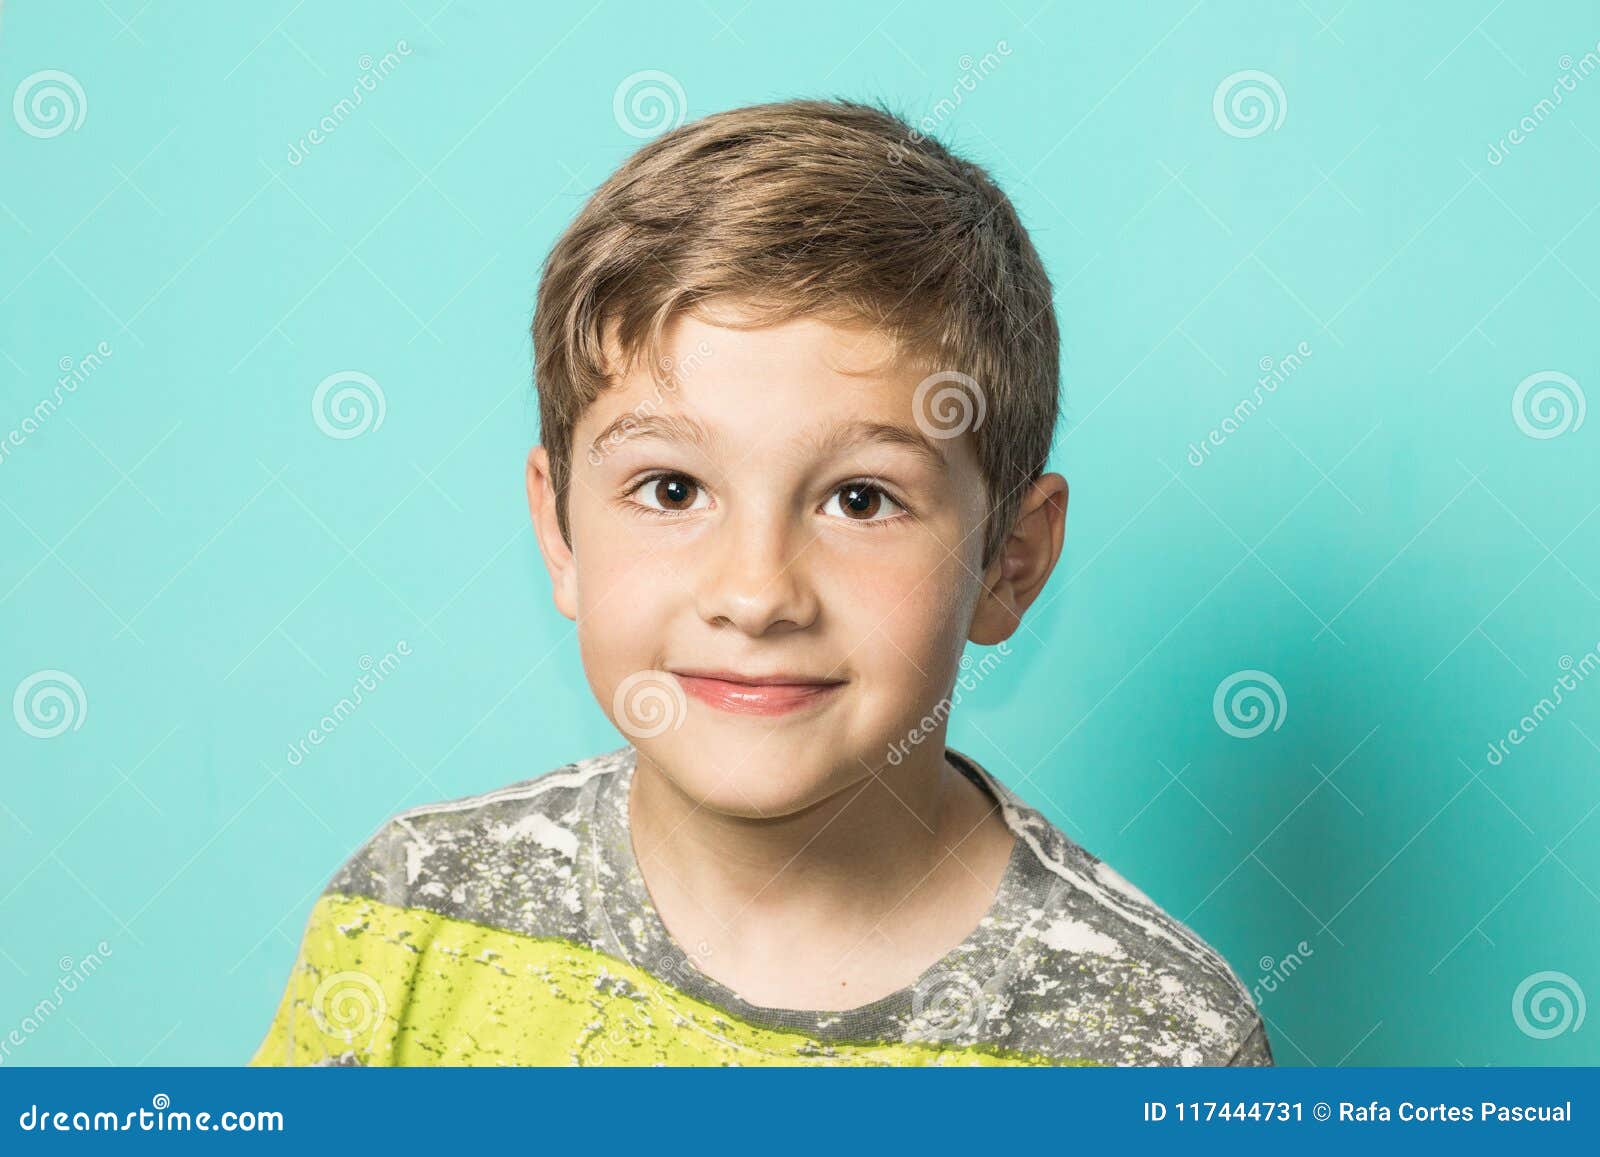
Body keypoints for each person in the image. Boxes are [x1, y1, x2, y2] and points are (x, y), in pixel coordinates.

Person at [249, 98, 1272, 1067]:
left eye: (861, 500)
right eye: (672, 488)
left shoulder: (1156, 1043)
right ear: (560, 532)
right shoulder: (410, 914)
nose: (754, 594)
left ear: (1009, 562)